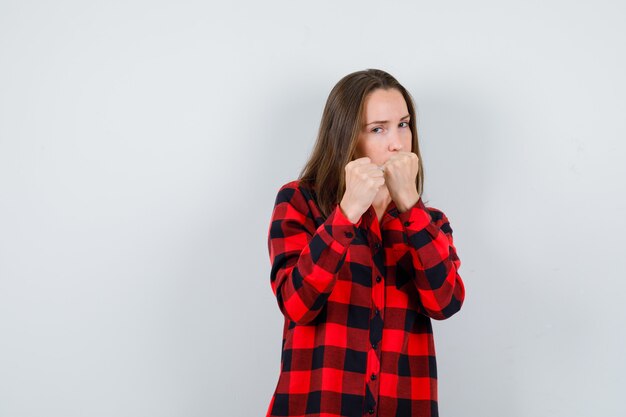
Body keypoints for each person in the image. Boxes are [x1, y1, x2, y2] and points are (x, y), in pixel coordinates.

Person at [265, 69, 465, 417]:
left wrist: (411, 208)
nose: (398, 143)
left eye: (404, 124)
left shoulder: (430, 224)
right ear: (346, 138)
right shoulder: (299, 202)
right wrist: (348, 212)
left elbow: (445, 303)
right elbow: (297, 304)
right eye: (378, 129)